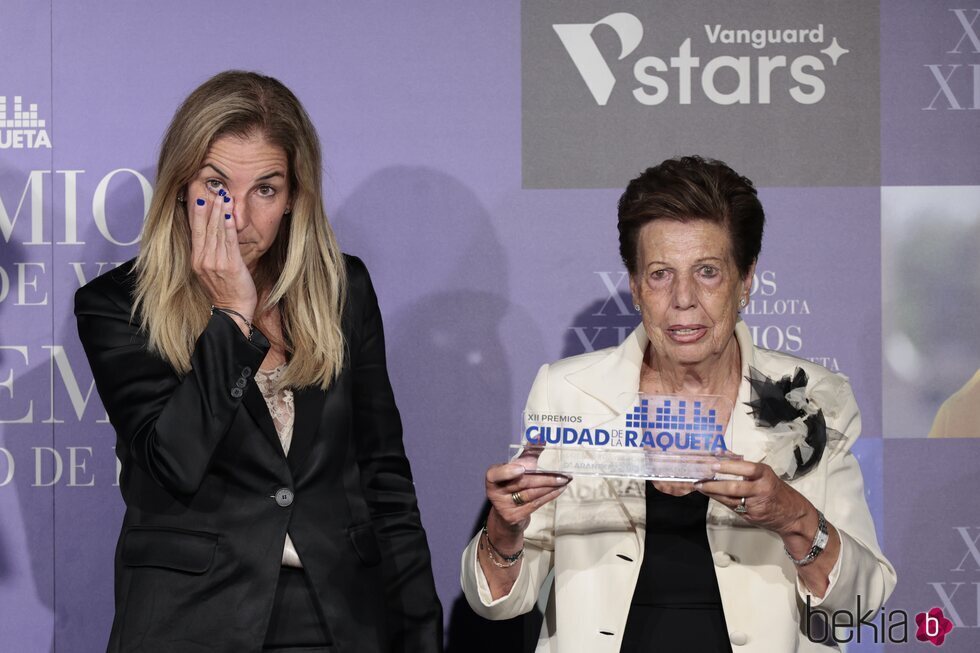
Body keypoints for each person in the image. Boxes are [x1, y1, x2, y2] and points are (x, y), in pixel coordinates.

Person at [461, 156, 896, 652]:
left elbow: (862, 604)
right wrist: (504, 531)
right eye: (660, 274)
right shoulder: (569, 391)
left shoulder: (814, 397)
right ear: (634, 286)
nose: (683, 298)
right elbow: (498, 601)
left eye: (707, 272)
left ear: (746, 279)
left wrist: (791, 516)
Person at [75, 71, 442, 653]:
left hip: (337, 618)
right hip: (189, 622)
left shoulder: (343, 289)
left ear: (295, 194)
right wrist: (232, 317)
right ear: (179, 184)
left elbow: (383, 477)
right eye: (217, 187)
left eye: (265, 190)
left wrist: (421, 631)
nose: (238, 217)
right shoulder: (117, 306)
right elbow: (172, 463)